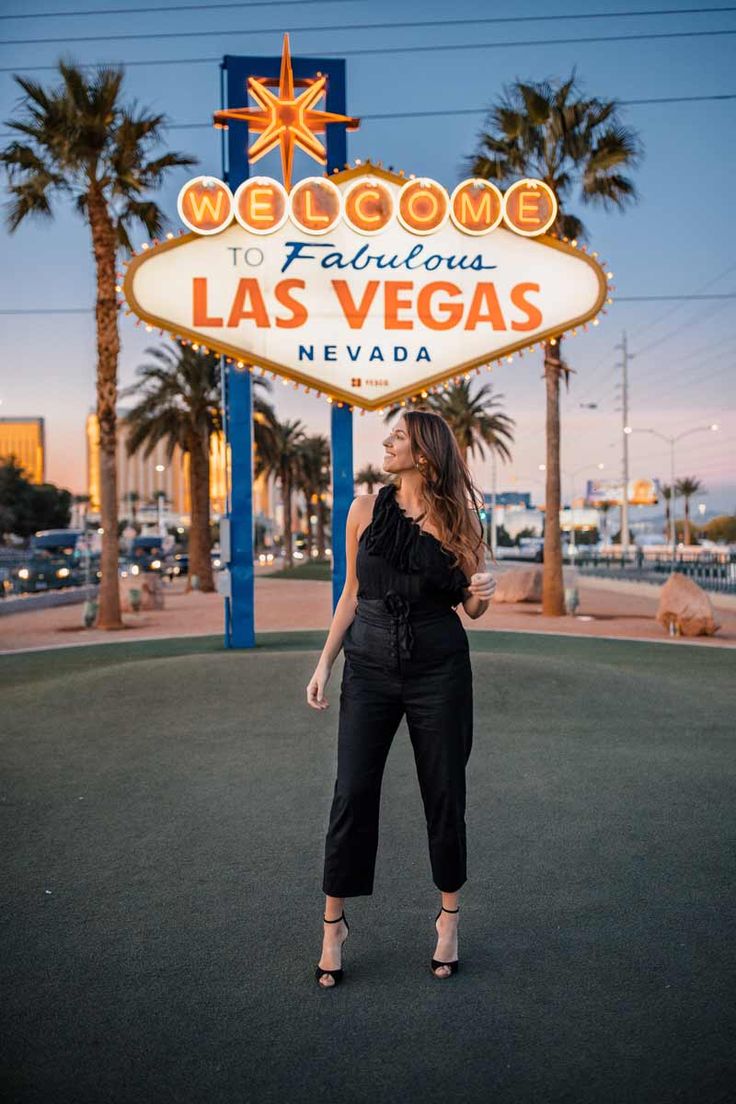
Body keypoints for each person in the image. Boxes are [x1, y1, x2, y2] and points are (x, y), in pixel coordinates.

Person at [306, 410, 496, 987]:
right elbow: (350, 592)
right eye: (388, 437)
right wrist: (324, 663)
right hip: (367, 666)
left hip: (439, 670)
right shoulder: (363, 510)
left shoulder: (460, 519)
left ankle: (448, 919)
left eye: (397, 438)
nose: (386, 444)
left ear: (425, 453)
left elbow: (473, 607)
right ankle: (333, 925)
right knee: (352, 792)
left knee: (444, 792)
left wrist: (484, 592)